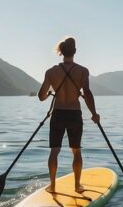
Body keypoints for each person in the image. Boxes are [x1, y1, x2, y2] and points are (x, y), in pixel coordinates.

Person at [37, 37, 100, 193]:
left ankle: (52, 186)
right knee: (76, 150)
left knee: (54, 150)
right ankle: (77, 185)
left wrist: (50, 93)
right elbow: (88, 93)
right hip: (74, 114)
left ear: (61, 52)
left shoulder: (51, 72)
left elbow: (40, 96)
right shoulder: (83, 71)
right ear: (75, 51)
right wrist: (94, 113)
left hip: (57, 113)